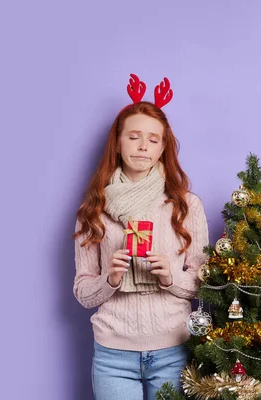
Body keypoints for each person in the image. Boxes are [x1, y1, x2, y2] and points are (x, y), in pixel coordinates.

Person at [72, 74, 209, 399]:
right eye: (133, 137)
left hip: (173, 348)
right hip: (112, 353)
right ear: (118, 144)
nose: (143, 146)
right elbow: (82, 292)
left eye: (153, 139)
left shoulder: (186, 205)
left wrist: (170, 276)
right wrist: (110, 278)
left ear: (163, 147)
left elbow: (206, 283)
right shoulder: (93, 209)